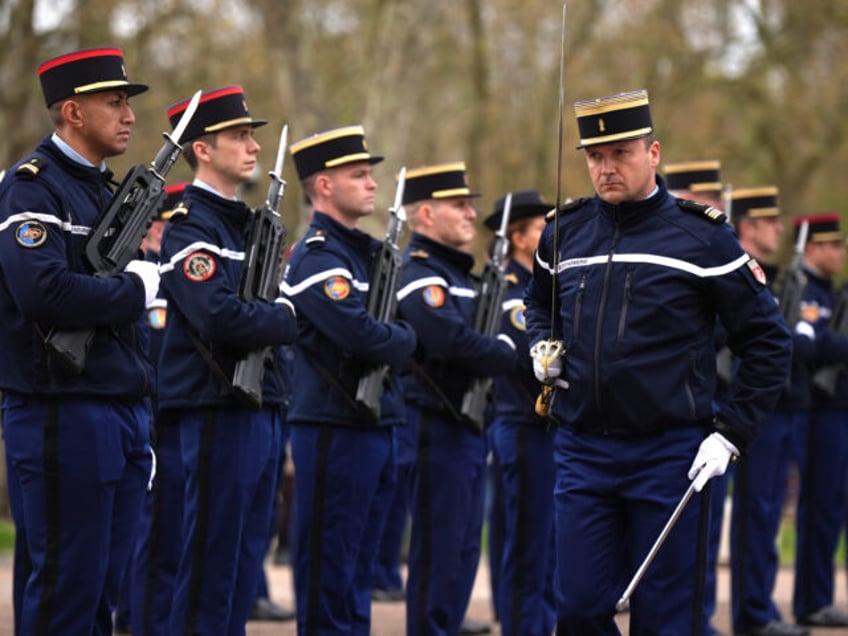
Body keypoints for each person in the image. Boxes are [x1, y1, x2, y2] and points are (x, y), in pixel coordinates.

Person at [523, 89, 792, 634]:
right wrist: (539, 346)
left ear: (654, 153)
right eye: (595, 157)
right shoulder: (563, 233)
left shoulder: (703, 237)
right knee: (578, 607)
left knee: (666, 615)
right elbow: (538, 306)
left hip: (669, 454)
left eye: (620, 153)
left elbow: (767, 340)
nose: (606, 168)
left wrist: (732, 432)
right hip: (581, 449)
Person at [0, 47, 158, 634]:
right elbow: (44, 294)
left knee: (101, 595)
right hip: (61, 410)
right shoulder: (32, 189)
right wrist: (135, 291)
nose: (129, 115)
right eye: (115, 102)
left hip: (115, 409)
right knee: (68, 591)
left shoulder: (101, 191)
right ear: (73, 111)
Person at [157, 85, 298, 634]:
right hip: (216, 403)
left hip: (261, 400)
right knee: (212, 561)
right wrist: (286, 318)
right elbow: (218, 316)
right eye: (239, 136)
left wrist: (277, 315)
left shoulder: (247, 223)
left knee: (243, 562)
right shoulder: (192, 224)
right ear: (203, 150)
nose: (254, 146)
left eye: (253, 136)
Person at [281, 125, 418, 635]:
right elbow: (361, 335)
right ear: (323, 185)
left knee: (359, 569)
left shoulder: (362, 253)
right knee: (329, 570)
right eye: (358, 175)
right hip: (333, 428)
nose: (371, 184)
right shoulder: (317, 255)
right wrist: (402, 338)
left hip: (374, 422)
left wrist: (396, 335)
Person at [395, 161, 516, 636]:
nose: (471, 214)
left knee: (465, 548)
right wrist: (504, 351)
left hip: (466, 426)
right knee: (439, 548)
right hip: (434, 426)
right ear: (425, 215)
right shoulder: (421, 273)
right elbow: (449, 340)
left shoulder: (460, 275)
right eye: (459, 205)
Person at [726, 188, 813, 636]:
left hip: (774, 407)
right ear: (747, 226)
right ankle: (751, 613)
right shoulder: (733, 271)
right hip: (746, 405)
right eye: (769, 221)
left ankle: (759, 608)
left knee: (767, 512)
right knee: (755, 511)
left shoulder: (763, 275)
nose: (779, 228)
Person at [483, 189, 557, 636]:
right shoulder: (510, 291)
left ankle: (542, 623)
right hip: (523, 426)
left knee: (546, 542)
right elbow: (530, 357)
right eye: (543, 228)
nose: (553, 235)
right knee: (527, 543)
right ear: (520, 238)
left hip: (545, 428)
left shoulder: (543, 288)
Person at [664, 159, 730, 636]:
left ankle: (698, 621)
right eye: (711, 198)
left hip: (713, 413)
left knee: (700, 541)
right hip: (675, 413)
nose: (721, 208)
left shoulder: (718, 250)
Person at [791, 214, 848, 628]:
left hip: (836, 412)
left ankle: (820, 595)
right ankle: (812, 599)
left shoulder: (829, 293)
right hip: (820, 412)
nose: (840, 253)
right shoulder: (808, 293)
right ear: (813, 249)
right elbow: (811, 346)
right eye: (833, 245)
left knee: (832, 508)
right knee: (819, 507)